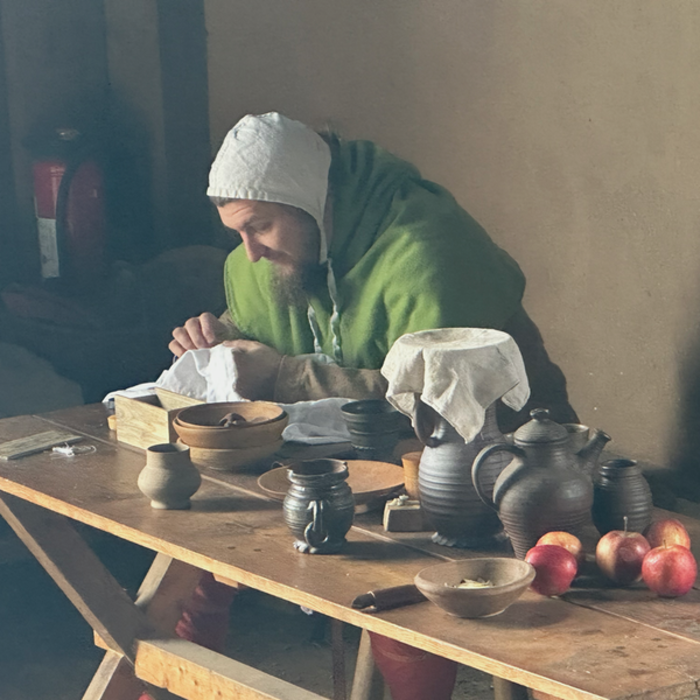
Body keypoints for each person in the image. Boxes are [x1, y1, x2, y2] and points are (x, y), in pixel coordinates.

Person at [166, 112, 577, 700]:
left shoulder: (428, 252)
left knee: (395, 575)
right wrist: (217, 344)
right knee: (202, 547)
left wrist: (282, 375)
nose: (250, 253)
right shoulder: (274, 254)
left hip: (494, 467)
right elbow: (270, 330)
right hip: (360, 464)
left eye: (260, 226)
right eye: (238, 233)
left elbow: (436, 409)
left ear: (313, 201)